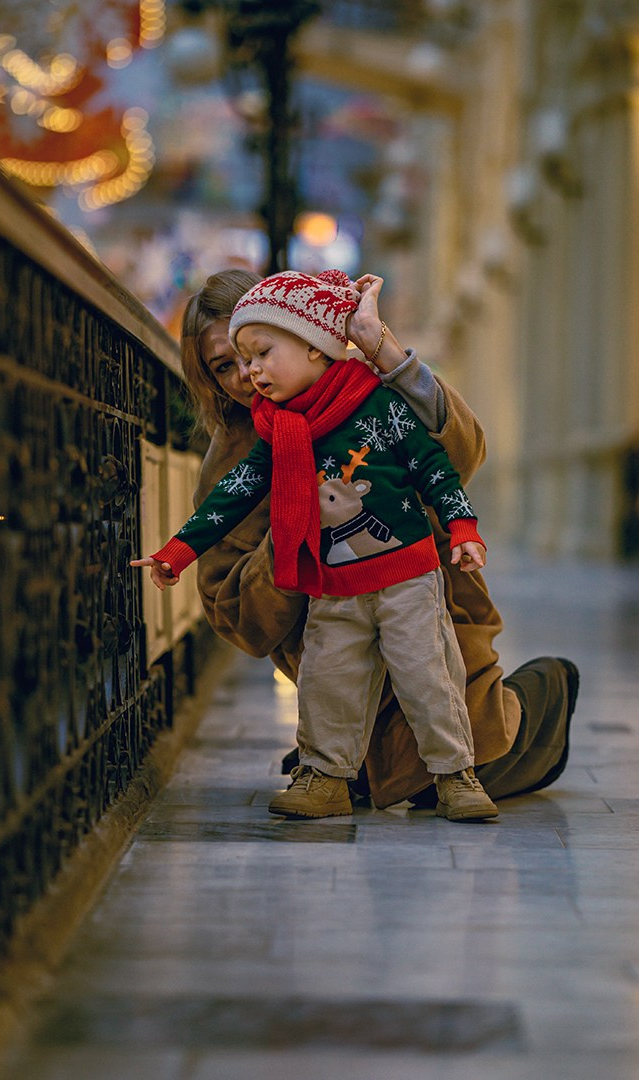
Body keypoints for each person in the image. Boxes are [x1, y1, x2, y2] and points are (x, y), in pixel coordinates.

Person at [156, 267, 578, 813]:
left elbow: (461, 456)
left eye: (261, 348)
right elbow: (240, 619)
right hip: (348, 679)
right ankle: (343, 760)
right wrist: (294, 525)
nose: (249, 372)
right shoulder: (236, 461)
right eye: (226, 364)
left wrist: (385, 352)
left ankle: (549, 690)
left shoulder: (367, 397)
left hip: (439, 644)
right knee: (383, 758)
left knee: (503, 733)